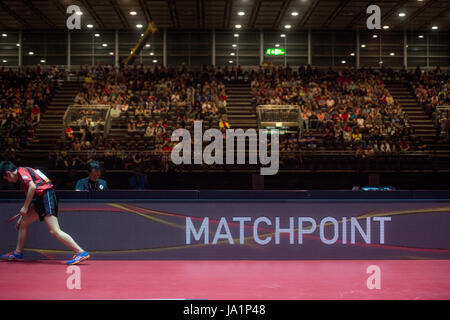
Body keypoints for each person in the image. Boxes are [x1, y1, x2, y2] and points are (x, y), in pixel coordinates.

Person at [0, 161, 90, 265]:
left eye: (6, 179)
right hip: (41, 198)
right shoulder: (24, 176)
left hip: (46, 196)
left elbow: (32, 187)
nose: (8, 181)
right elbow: (30, 193)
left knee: (54, 231)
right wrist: (23, 215)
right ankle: (18, 253)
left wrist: (24, 207)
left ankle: (80, 252)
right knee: (23, 223)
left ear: (8, 173)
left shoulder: (21, 171)